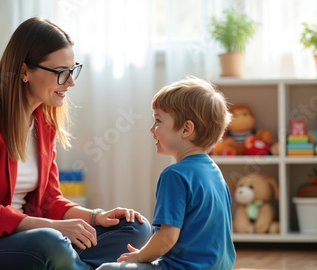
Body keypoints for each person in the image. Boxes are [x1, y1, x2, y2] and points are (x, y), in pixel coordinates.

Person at [0, 17, 150, 270]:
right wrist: (56, 228)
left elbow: (49, 200)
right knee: (51, 243)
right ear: (24, 71)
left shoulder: (43, 118)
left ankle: (68, 265)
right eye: (61, 73)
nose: (71, 82)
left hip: (28, 238)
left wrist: (95, 216)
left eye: (72, 70)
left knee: (135, 227)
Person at [98, 77, 236, 270]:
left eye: (158, 121)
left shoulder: (175, 175)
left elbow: (167, 237)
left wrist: (139, 256)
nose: (151, 129)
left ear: (186, 129)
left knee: (107, 269)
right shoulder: (214, 172)